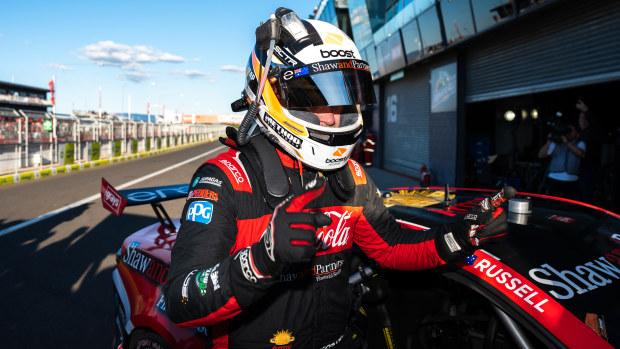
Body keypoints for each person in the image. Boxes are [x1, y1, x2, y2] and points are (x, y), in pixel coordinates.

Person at [163, 8, 513, 349]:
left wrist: (455, 237)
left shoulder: (353, 177)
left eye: (343, 97)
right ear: (268, 93)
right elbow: (182, 299)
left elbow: (392, 247)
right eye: (315, 98)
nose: (333, 117)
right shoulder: (226, 180)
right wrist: (261, 259)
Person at [537, 121, 585, 200]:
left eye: (571, 130)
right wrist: (549, 141)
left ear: (576, 132)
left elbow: (580, 153)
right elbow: (541, 155)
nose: (569, 133)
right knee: (554, 205)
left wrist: (566, 141)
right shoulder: (555, 143)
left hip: (571, 180)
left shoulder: (580, 143)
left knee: (570, 205)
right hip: (554, 179)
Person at [576, 98, 602, 204]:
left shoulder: (591, 132)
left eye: (584, 118)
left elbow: (596, 125)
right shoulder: (581, 134)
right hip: (581, 170)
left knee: (588, 198)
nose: (581, 121)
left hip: (590, 169)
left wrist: (586, 110)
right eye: (580, 118)